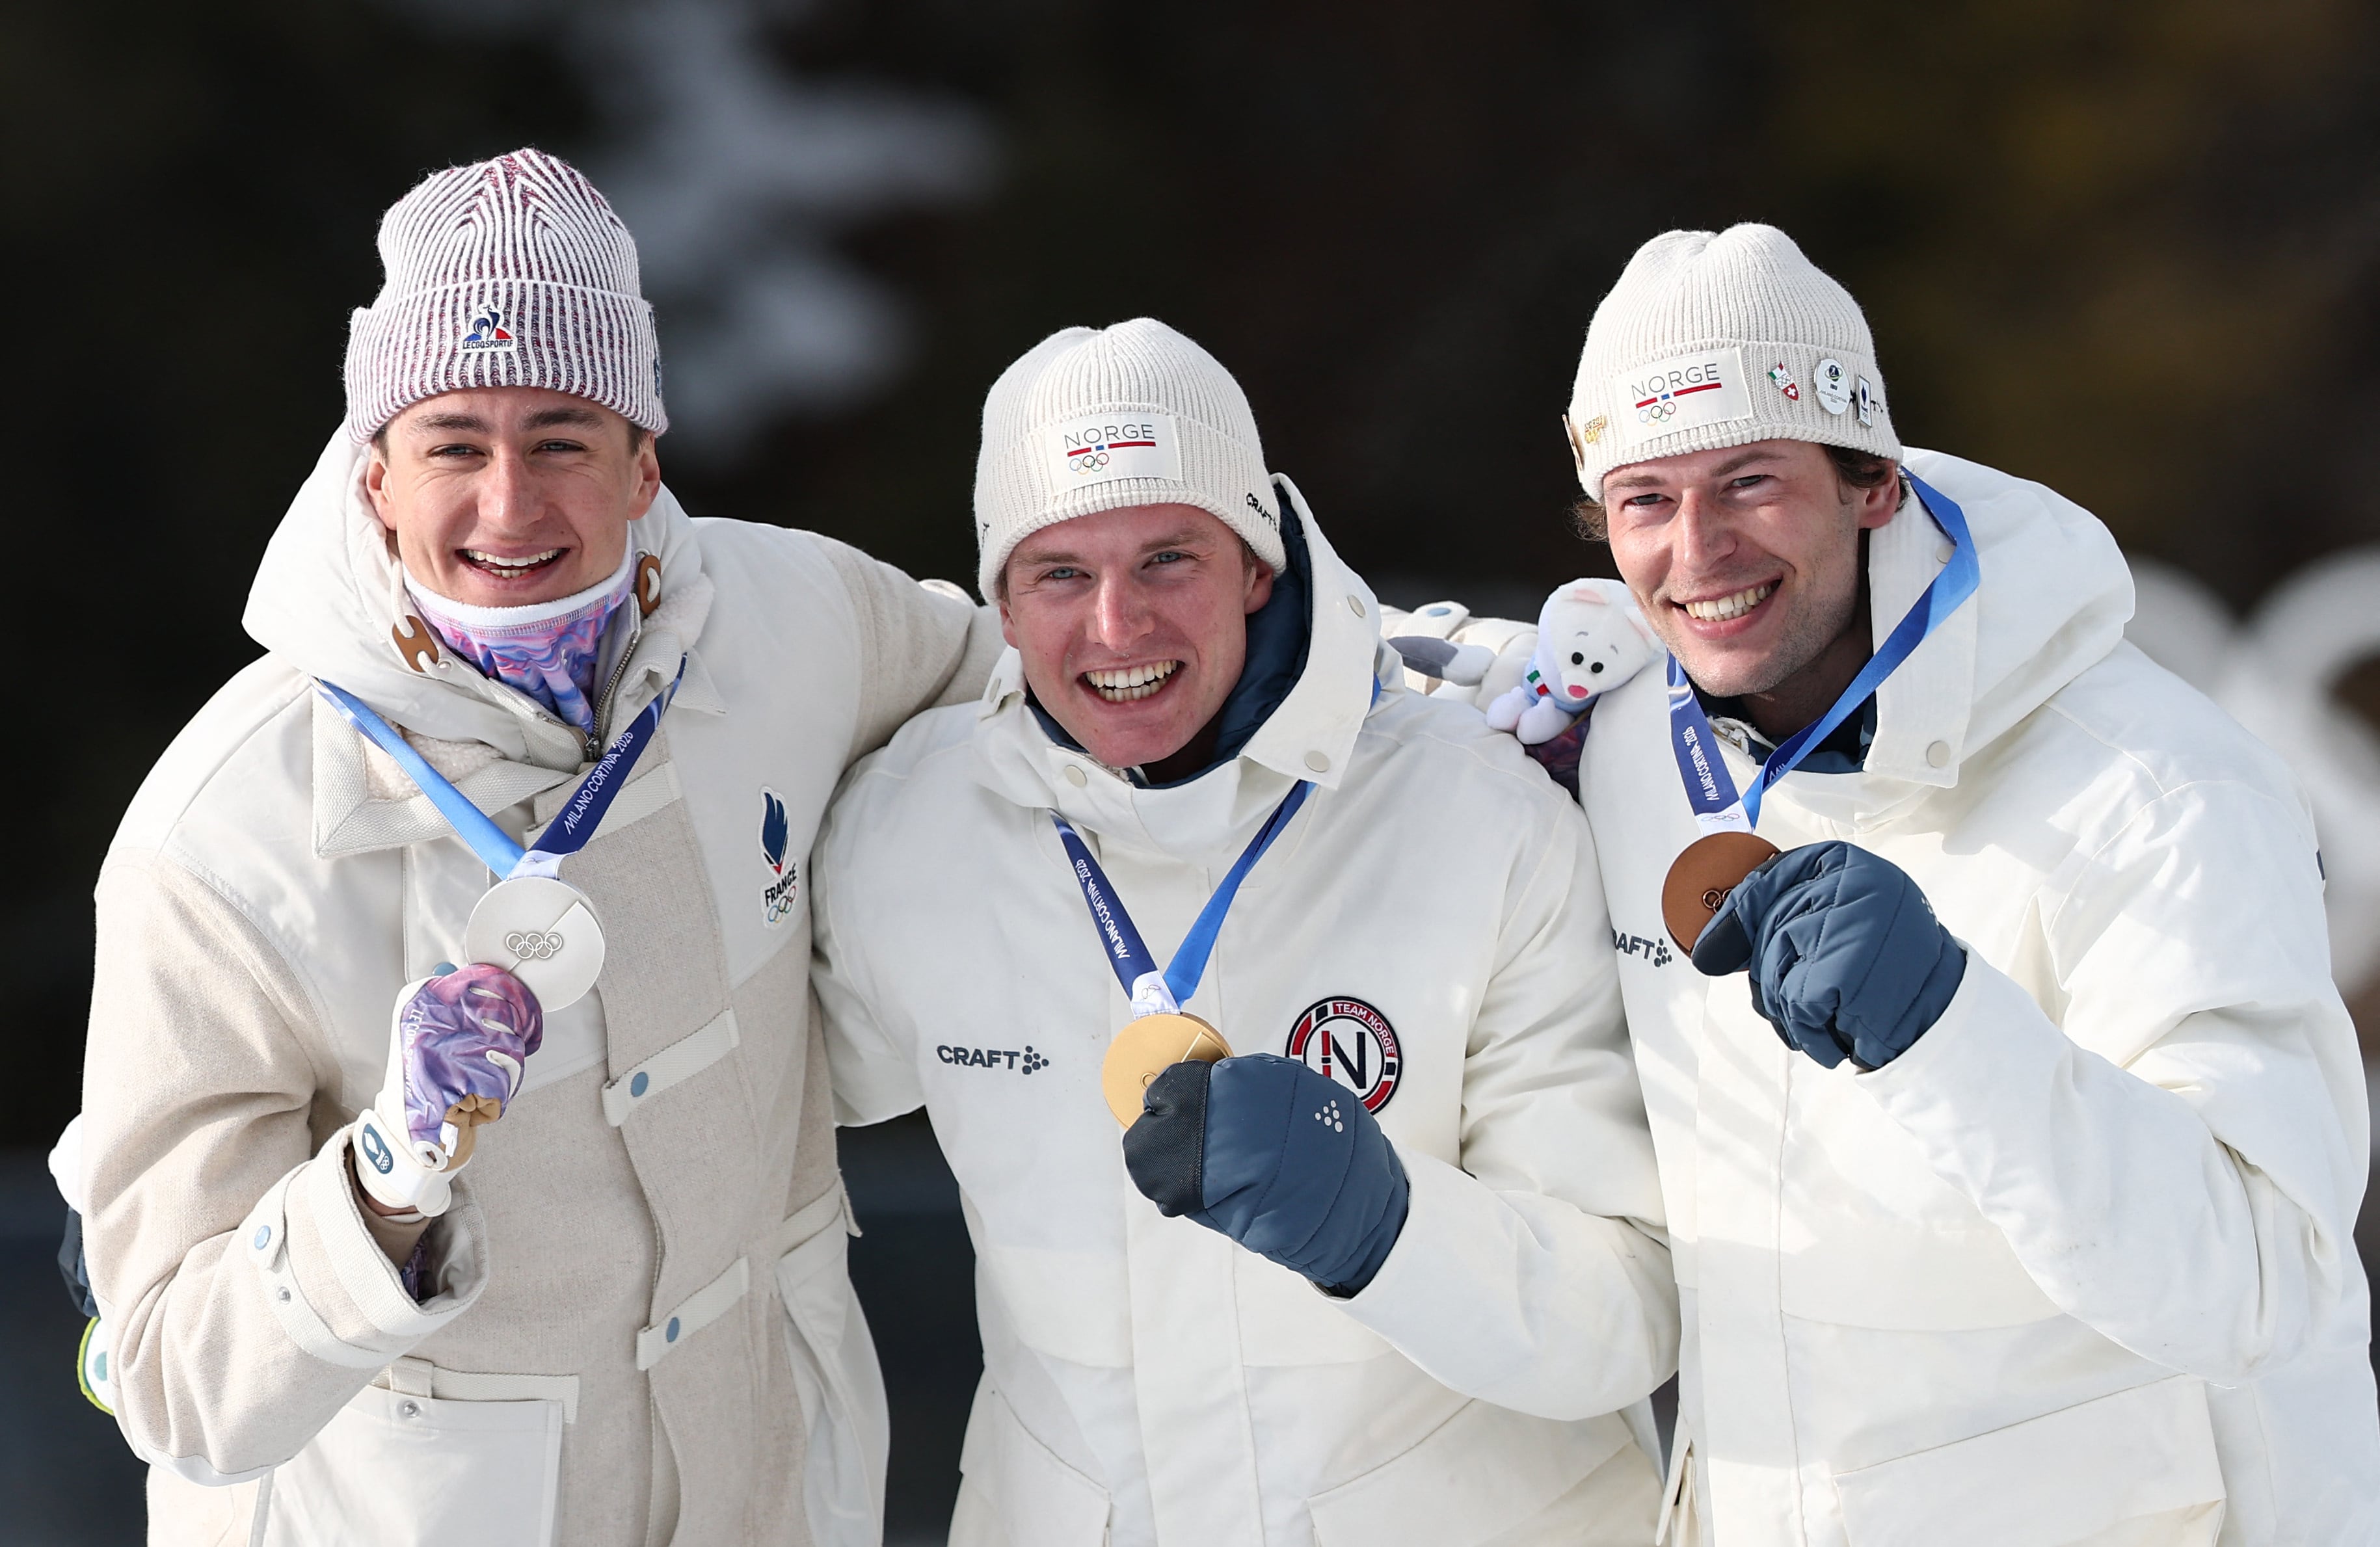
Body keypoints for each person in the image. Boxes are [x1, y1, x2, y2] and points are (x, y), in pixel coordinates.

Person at [73, 149, 1000, 1546]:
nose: (510, 505)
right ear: (374, 474)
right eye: (455, 441)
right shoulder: (224, 837)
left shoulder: (794, 615)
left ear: (645, 466)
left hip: (770, 1481)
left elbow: (1051, 690)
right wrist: (383, 1182)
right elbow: (166, 1377)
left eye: (562, 436)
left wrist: (1366, 688)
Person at [1411, 224, 2380, 1544]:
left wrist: (1949, 1027)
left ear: (1870, 479)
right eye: (1645, 498)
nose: (1697, 549)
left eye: (1750, 479)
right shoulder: (1633, 733)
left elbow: (2268, 1278)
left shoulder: (2153, 789)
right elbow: (1388, 665)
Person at [810, 319, 1679, 1546]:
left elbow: (1630, 1308)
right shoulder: (911, 834)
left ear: (1258, 566)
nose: (1117, 629)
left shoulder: (1476, 813)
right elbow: (742, 1115)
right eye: (1060, 573)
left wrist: (1385, 1229)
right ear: (999, 602)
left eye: (1168, 559)